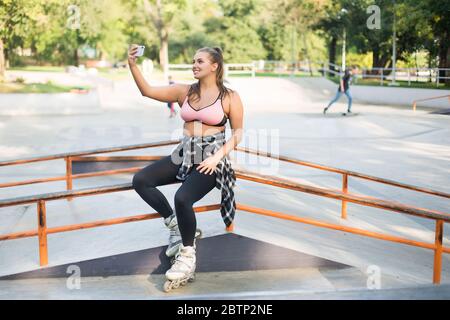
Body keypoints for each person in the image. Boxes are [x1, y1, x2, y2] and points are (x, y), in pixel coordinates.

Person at [128, 44, 244, 290]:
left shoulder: (230, 97)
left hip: (211, 158)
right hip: (184, 153)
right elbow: (147, 91)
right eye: (193, 61)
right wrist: (132, 65)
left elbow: (238, 133)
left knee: (183, 198)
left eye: (200, 61)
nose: (195, 65)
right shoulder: (184, 92)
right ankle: (175, 225)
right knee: (141, 180)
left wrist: (216, 159)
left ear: (214, 66)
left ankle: (188, 253)